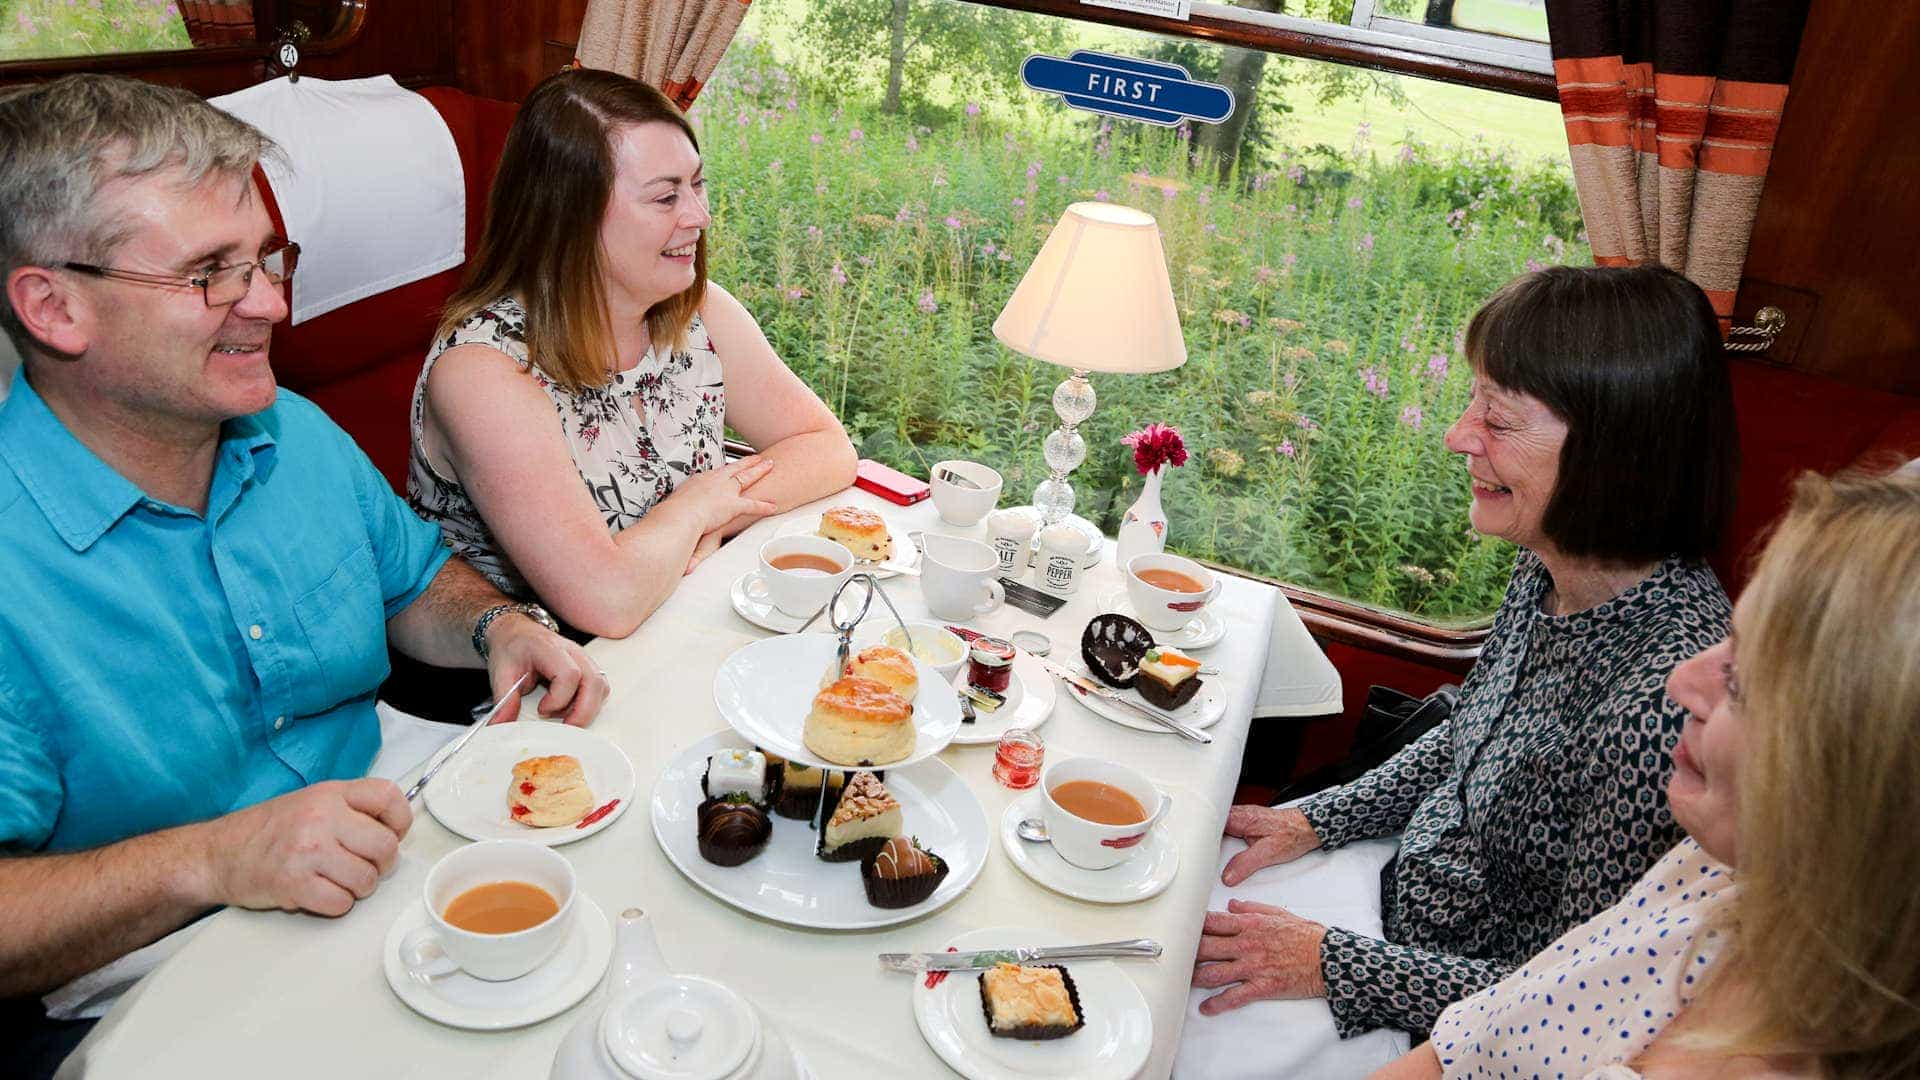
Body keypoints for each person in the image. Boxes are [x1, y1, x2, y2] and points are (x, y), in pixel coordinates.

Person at [0, 74, 607, 1072]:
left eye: (270, 261)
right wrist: (214, 858)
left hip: (396, 831)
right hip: (155, 971)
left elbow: (413, 586)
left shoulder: (293, 432)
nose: (274, 306)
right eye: (211, 275)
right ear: (55, 307)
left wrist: (502, 629)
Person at [1190, 266, 1741, 1049]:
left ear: (1612, 453)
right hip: (1397, 889)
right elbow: (1465, 735)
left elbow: (1567, 994)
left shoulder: (1661, 706)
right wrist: (1317, 818)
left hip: (1444, 1016)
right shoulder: (1552, 563)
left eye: (1500, 419)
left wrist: (1333, 963)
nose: (1458, 436)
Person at [1373, 467, 1920, 1079]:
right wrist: (1317, 818)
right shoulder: (1713, 864)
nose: (1681, 681)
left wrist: (1342, 962)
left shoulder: (1668, 746)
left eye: (1738, 682)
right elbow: (1489, 1024)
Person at [407, 68, 857, 640]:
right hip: (533, 680)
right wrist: (696, 507)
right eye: (666, 196)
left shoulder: (698, 313)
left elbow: (828, 447)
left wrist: (724, 515)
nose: (699, 215)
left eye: (697, 184)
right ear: (570, 217)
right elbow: (607, 601)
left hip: (672, 618)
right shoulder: (483, 372)